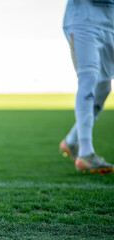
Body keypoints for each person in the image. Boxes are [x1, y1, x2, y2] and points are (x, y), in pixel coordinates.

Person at [59, 0, 114, 174]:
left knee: (104, 88)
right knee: (88, 78)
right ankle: (86, 153)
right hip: (83, 19)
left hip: (109, 22)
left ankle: (71, 141)